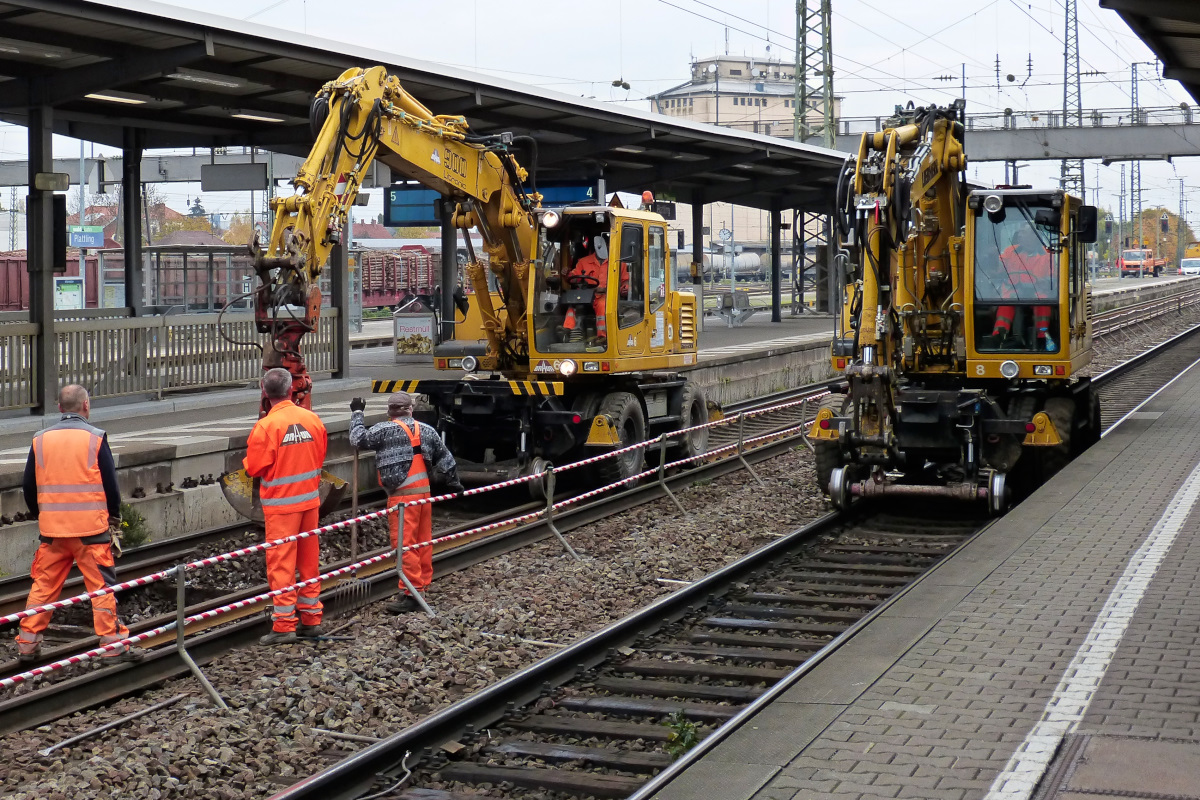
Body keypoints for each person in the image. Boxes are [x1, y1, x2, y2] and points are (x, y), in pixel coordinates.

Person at [16, 385, 142, 663]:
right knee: (101, 588)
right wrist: (114, 517)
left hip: (52, 531)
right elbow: (110, 484)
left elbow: (28, 485)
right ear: (86, 405)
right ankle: (111, 645)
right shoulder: (95, 438)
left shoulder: (40, 439)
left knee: (44, 585)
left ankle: (27, 643)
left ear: (60, 408)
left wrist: (43, 515)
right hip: (90, 531)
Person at [349, 391, 462, 614]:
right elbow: (446, 458)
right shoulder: (427, 430)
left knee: (404, 545)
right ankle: (422, 584)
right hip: (424, 496)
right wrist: (454, 483)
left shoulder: (384, 430)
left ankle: (412, 592)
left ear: (390, 412)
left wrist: (357, 413)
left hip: (402, 498)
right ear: (410, 409)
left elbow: (357, 439)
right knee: (422, 542)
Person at [244, 368, 329, 645]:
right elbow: (320, 456)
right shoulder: (312, 420)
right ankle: (312, 618)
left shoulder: (267, 426)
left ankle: (283, 625)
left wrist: (246, 464)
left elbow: (255, 467)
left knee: (281, 565)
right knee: (308, 562)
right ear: (292, 388)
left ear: (263, 390)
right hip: (310, 502)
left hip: (281, 507)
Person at [991, 225, 1057, 351]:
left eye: (1024, 233)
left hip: (1036, 292)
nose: (1020, 235)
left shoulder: (1047, 255)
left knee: (1043, 302)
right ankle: (999, 335)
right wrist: (992, 261)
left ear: (1034, 237)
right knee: (1005, 303)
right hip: (1013, 291)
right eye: (1020, 233)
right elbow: (999, 268)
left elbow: (1052, 277)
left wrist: (1042, 282)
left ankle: (1041, 336)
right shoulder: (1010, 251)